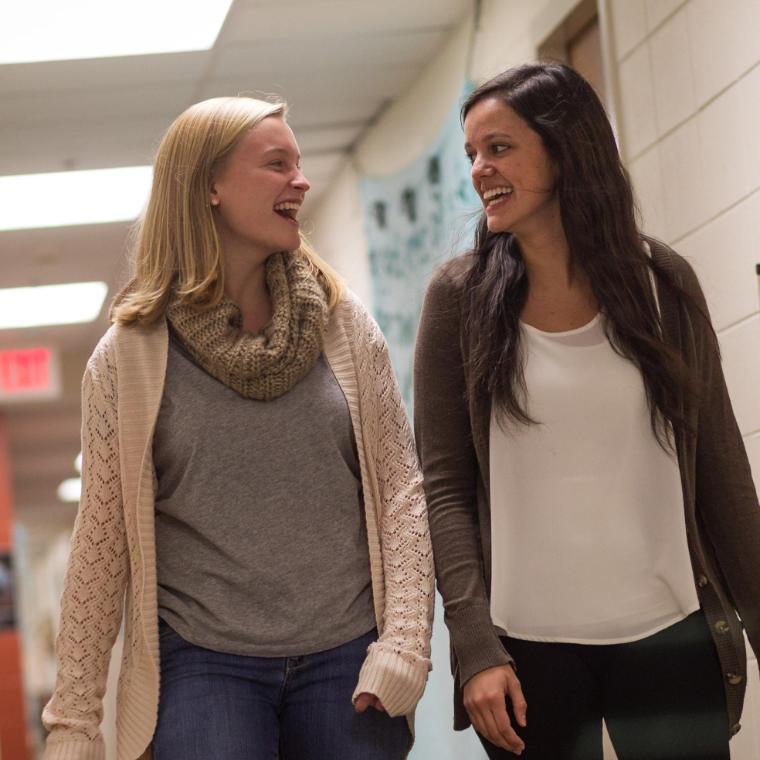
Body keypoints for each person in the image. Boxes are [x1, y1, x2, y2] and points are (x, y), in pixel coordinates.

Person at [43, 95, 434, 760]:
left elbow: (402, 490)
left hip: (345, 650)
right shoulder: (130, 356)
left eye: (300, 164)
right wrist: (74, 726)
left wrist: (405, 643)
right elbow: (100, 541)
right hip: (203, 661)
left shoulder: (344, 326)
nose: (300, 181)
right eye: (277, 165)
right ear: (211, 188)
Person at [414, 62, 760, 760]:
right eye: (472, 154)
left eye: (499, 147)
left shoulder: (663, 284)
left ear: (566, 147)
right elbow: (444, 488)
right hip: (526, 653)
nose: (480, 169)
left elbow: (723, 475)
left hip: (671, 633)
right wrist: (476, 649)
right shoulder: (459, 299)